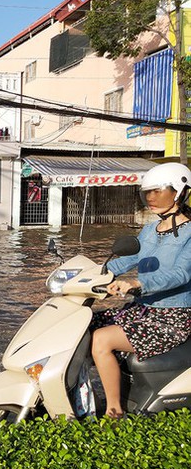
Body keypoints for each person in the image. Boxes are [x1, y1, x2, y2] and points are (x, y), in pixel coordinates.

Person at [91, 162, 191, 418]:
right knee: (83, 324)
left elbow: (182, 274)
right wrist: (92, 272)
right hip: (142, 309)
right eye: (147, 192)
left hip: (172, 317)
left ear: (179, 192)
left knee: (102, 339)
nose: (151, 197)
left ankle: (114, 412)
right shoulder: (150, 230)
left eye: (158, 191)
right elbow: (126, 260)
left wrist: (138, 284)